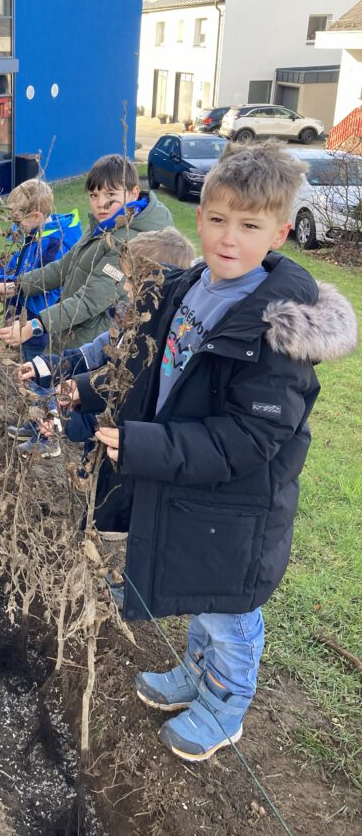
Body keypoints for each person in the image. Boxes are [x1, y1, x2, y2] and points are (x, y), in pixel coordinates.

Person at [92, 141, 357, 761]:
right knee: (199, 595)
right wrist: (86, 392)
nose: (228, 239)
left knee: (230, 612)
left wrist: (144, 446)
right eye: (216, 220)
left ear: (281, 231)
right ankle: (196, 675)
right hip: (189, 489)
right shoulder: (192, 288)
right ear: (198, 217)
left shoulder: (278, 332)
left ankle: (226, 704)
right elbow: (149, 370)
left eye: (249, 225)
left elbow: (250, 438)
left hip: (238, 506)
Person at [13, 228, 195, 459]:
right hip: (103, 444)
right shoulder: (127, 320)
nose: (126, 287)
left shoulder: (160, 345)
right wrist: (46, 367)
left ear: (163, 283)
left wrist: (64, 419)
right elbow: (90, 356)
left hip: (126, 451)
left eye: (133, 280)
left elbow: (116, 401)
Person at [0, 155, 173, 354]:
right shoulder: (105, 225)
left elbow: (90, 300)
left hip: (88, 348)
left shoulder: (128, 242)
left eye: (110, 194)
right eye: (94, 195)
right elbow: (63, 267)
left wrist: (34, 326)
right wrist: (17, 285)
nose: (100, 204)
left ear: (133, 193)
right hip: (69, 334)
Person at [0, 178, 81, 357]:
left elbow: (38, 283)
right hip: (22, 318)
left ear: (36, 216)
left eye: (18, 221)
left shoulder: (53, 245)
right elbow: (14, 264)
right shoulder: (36, 234)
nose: (15, 227)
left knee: (35, 369)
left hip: (37, 324)